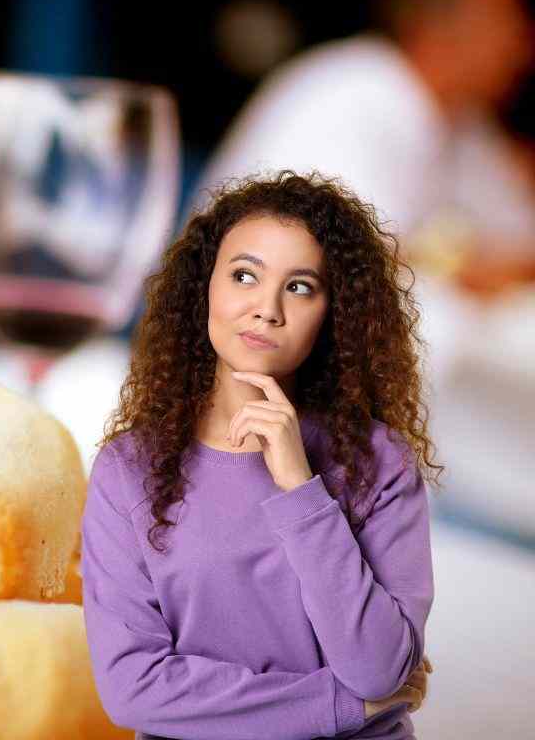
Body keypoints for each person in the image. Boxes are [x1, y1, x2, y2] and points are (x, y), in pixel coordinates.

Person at [81, 173, 438, 740]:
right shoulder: (128, 470)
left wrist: (300, 487)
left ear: (333, 312)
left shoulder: (379, 462)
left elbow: (375, 667)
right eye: (244, 276)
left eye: (300, 287)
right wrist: (342, 706)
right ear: (205, 288)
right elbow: (133, 691)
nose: (266, 309)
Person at [196, 0, 535, 265]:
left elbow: (517, 240)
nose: (522, 44)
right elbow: (337, 256)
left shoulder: (464, 121)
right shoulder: (358, 89)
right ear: (437, 29)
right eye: (505, 19)